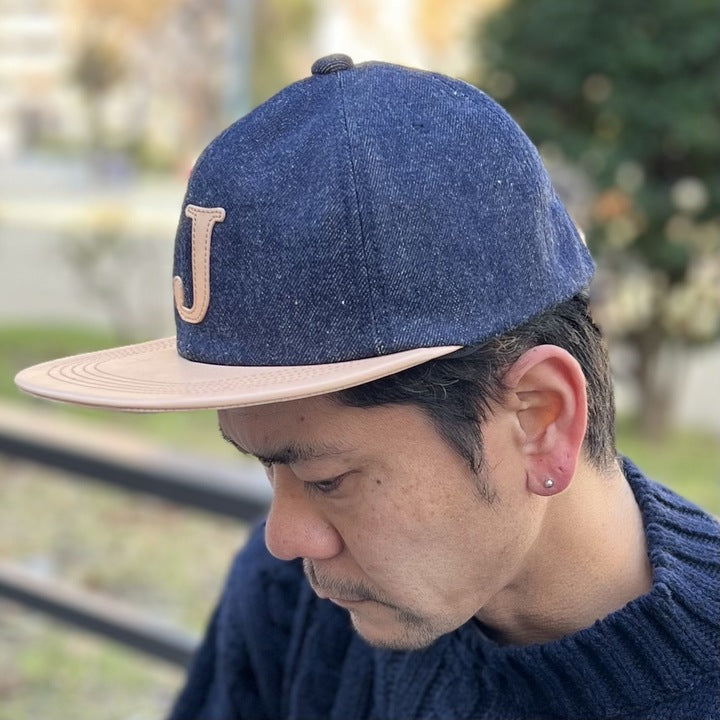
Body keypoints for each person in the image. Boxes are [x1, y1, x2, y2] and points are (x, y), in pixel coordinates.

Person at [15, 55, 719, 720]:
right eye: (267, 467)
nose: (285, 539)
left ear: (540, 419)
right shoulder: (292, 602)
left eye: (326, 480)